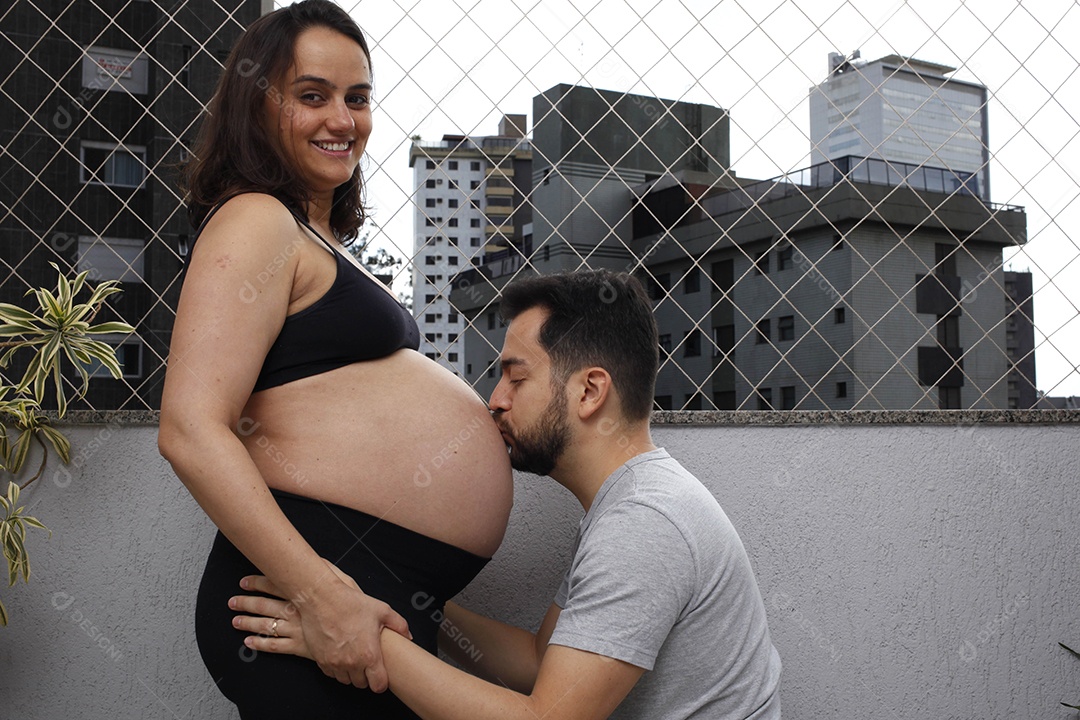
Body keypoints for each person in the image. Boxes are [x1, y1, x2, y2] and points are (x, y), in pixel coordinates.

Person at [156, 1, 513, 717]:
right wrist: (320, 594)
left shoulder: (314, 238)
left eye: (357, 98)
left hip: (363, 599)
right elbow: (191, 429)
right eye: (312, 96)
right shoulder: (258, 218)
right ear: (257, 107)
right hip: (311, 607)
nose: (342, 121)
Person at [231, 269, 783, 719]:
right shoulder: (626, 507)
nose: (494, 400)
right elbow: (539, 660)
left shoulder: (645, 523)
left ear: (589, 390)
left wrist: (359, 634)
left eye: (516, 379)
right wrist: (402, 601)